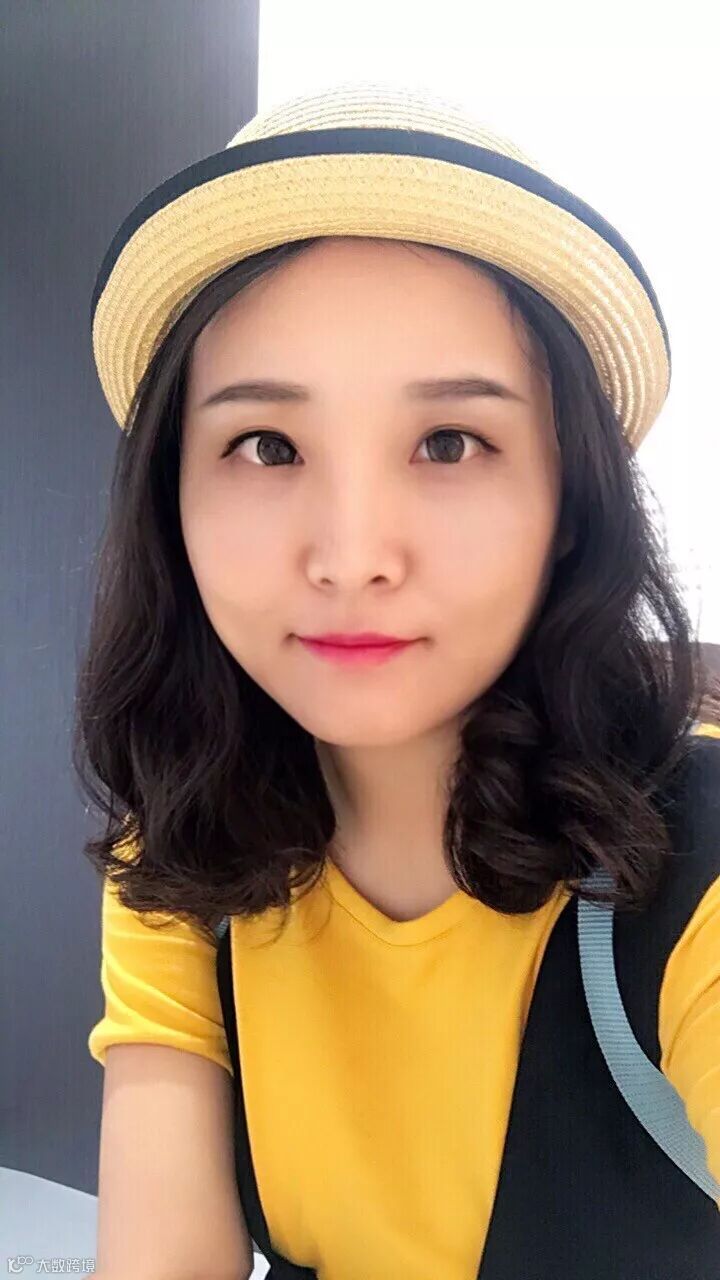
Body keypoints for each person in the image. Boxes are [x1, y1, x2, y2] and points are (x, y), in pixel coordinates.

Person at [79, 83, 720, 1279]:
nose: (353, 554)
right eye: (267, 445)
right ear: (175, 502)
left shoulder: (693, 860)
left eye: (450, 443)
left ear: (568, 502)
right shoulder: (182, 847)